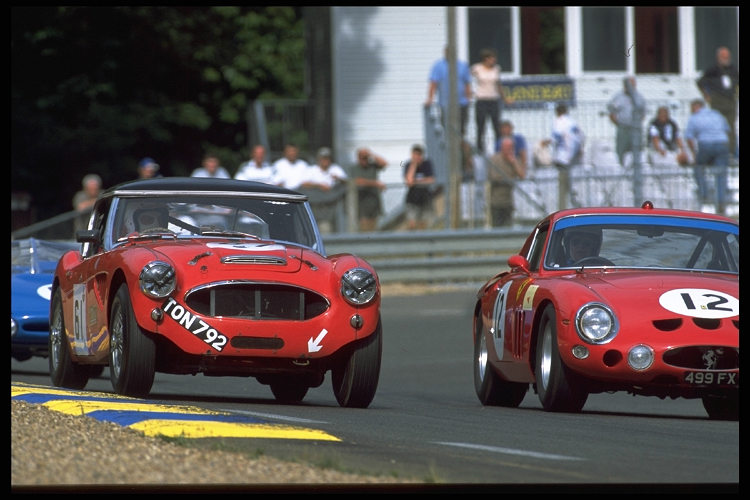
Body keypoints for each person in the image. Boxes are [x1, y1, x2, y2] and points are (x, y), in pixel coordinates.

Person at [684, 98, 731, 215]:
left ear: (696, 107)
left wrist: (694, 153)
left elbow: (689, 137)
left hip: (705, 145)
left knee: (699, 167)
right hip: (722, 144)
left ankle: (704, 194)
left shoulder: (694, 118)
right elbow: (727, 130)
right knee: (721, 173)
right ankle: (721, 201)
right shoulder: (716, 114)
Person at [607, 76, 646, 204]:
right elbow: (612, 112)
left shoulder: (639, 97)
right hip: (623, 128)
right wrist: (619, 123)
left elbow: (642, 113)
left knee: (637, 151)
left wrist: (637, 123)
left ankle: (636, 173)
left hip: (635, 128)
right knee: (621, 151)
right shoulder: (618, 97)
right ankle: (621, 173)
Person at [697, 46, 739, 158]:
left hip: (730, 101)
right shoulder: (712, 70)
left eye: (727, 56)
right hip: (717, 100)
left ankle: (730, 152)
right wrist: (707, 95)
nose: (726, 58)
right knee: (717, 126)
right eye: (723, 56)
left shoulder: (733, 69)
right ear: (718, 57)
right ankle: (717, 153)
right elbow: (700, 82)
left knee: (730, 127)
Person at [471, 48, 513, 153]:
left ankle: (498, 149)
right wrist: (471, 92)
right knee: (481, 126)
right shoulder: (477, 68)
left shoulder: (496, 69)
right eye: (492, 58)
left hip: (493, 99)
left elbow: (498, 85)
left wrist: (504, 98)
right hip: (481, 99)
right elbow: (468, 81)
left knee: (496, 126)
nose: (494, 60)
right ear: (486, 59)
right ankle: (480, 149)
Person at [425, 46, 473, 137]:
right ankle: (450, 149)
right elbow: (433, 83)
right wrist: (430, 99)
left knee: (462, 129)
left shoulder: (462, 66)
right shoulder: (438, 66)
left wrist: (468, 98)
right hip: (445, 104)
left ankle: (460, 149)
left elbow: (467, 84)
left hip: (461, 103)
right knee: (447, 128)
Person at [545, 103, 584, 209]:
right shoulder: (573, 122)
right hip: (574, 158)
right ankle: (577, 207)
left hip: (563, 158)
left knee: (563, 186)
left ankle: (562, 210)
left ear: (557, 112)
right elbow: (581, 138)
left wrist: (546, 143)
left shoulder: (559, 121)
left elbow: (556, 138)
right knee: (572, 186)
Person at [301, 147, 348, 234]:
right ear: (318, 159)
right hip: (315, 205)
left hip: (330, 207)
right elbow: (304, 184)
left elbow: (346, 181)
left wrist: (338, 179)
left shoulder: (335, 169)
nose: (325, 160)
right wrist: (319, 185)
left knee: (327, 229)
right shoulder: (312, 170)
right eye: (323, 158)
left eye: (327, 158)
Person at [486, 137, 526, 227]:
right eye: (507, 148)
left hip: (508, 202)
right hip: (496, 202)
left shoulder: (514, 160)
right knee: (496, 227)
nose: (509, 150)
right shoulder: (494, 159)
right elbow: (494, 178)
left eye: (511, 148)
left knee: (508, 226)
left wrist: (514, 163)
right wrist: (510, 180)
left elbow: (522, 175)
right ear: (502, 148)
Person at [352, 147, 387, 232]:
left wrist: (371, 154)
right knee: (364, 230)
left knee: (374, 229)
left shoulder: (372, 166)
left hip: (374, 204)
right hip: (362, 205)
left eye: (366, 158)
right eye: (362, 158)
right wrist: (376, 183)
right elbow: (358, 181)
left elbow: (384, 163)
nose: (364, 160)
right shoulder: (354, 168)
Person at [403, 144, 436, 230]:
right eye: (414, 155)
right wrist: (414, 165)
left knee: (424, 224)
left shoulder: (427, 164)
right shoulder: (407, 165)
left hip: (425, 198)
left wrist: (416, 181)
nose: (416, 157)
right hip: (412, 199)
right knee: (412, 224)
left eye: (418, 155)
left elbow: (431, 180)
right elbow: (409, 182)